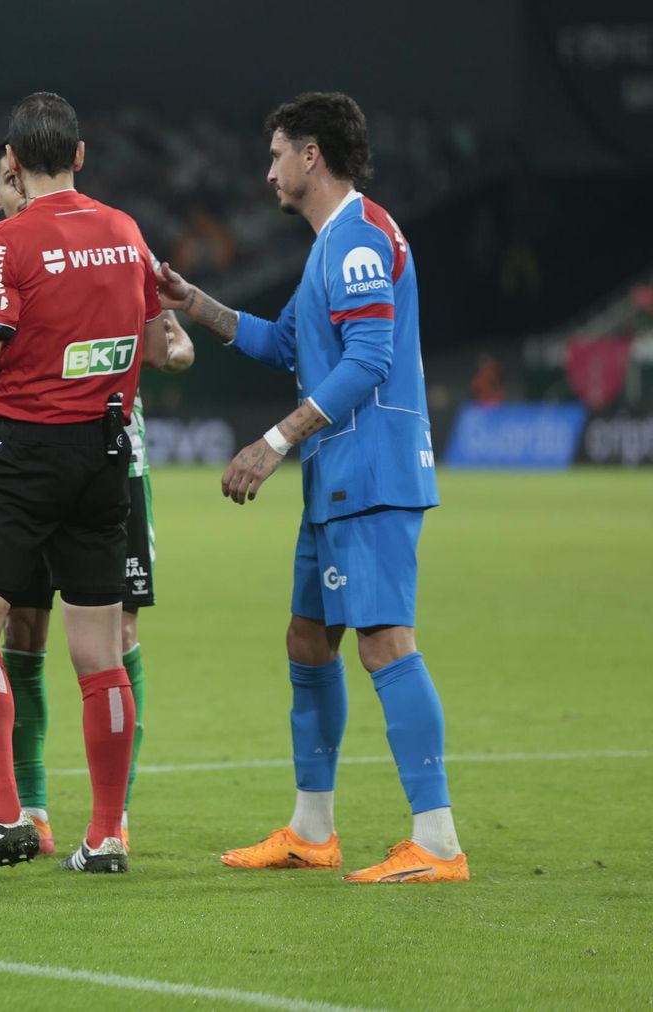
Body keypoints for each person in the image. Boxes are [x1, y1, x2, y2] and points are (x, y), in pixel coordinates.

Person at [155, 91, 468, 883]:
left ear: (310, 155)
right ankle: (312, 831)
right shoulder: (332, 244)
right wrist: (194, 303)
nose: (268, 173)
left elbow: (368, 360)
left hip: (372, 469)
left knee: (384, 641)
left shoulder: (359, 239)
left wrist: (273, 441)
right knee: (308, 638)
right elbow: (281, 341)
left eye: (276, 155)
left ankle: (437, 841)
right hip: (337, 478)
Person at [0, 93, 179, 881]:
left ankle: (3, 815)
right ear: (80, 155)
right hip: (106, 456)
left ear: (12, 161)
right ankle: (105, 837)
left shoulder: (4, 242)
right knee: (99, 653)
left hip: (28, 454)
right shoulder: (124, 231)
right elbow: (154, 344)